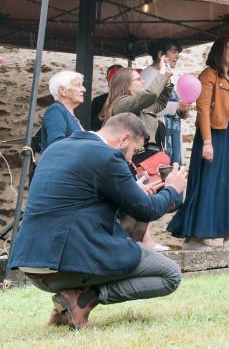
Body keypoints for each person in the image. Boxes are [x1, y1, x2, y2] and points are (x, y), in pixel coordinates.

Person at [9, 113, 188, 330]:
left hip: (32, 264)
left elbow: (78, 200)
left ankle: (68, 301)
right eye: (133, 150)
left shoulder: (54, 149)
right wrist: (172, 189)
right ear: (124, 139)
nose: (131, 159)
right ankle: (83, 299)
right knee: (170, 274)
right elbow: (147, 210)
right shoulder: (107, 156)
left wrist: (133, 192)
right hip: (68, 264)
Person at [167, 37, 229, 250]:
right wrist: (207, 142)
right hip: (214, 137)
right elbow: (203, 109)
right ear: (219, 51)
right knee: (208, 183)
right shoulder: (208, 74)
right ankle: (195, 237)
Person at [101, 65, 175, 179]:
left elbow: (160, 103)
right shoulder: (121, 103)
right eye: (138, 79)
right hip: (135, 160)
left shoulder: (140, 104)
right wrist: (163, 75)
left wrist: (167, 81)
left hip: (151, 158)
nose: (143, 81)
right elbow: (151, 95)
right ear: (126, 85)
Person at [138, 40, 187, 166]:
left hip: (169, 133)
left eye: (178, 52)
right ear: (161, 55)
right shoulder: (149, 75)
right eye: (174, 52)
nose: (177, 56)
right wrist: (176, 107)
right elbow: (146, 106)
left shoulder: (163, 74)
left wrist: (179, 112)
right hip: (158, 136)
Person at [36, 70, 84, 154]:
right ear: (62, 90)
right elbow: (57, 145)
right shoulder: (55, 111)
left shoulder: (66, 113)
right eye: (77, 85)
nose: (83, 89)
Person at [89, 64, 126, 131]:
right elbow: (92, 126)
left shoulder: (130, 100)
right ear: (107, 80)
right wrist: (102, 114)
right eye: (113, 79)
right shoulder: (98, 101)